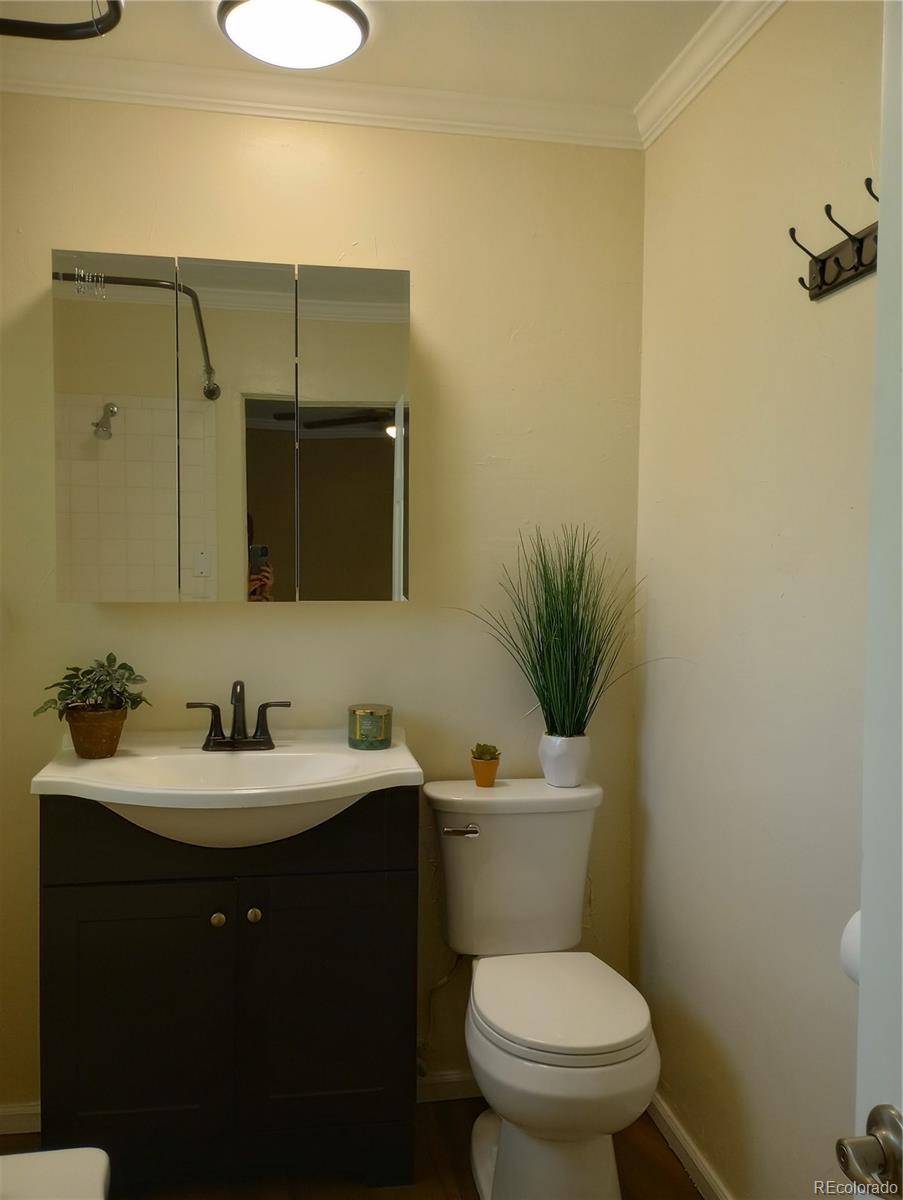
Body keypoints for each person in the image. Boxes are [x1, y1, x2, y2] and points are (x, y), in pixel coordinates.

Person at [247, 513, 274, 602]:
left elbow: (268, 614)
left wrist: (265, 591)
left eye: (249, 533)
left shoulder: (252, 564)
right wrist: (243, 594)